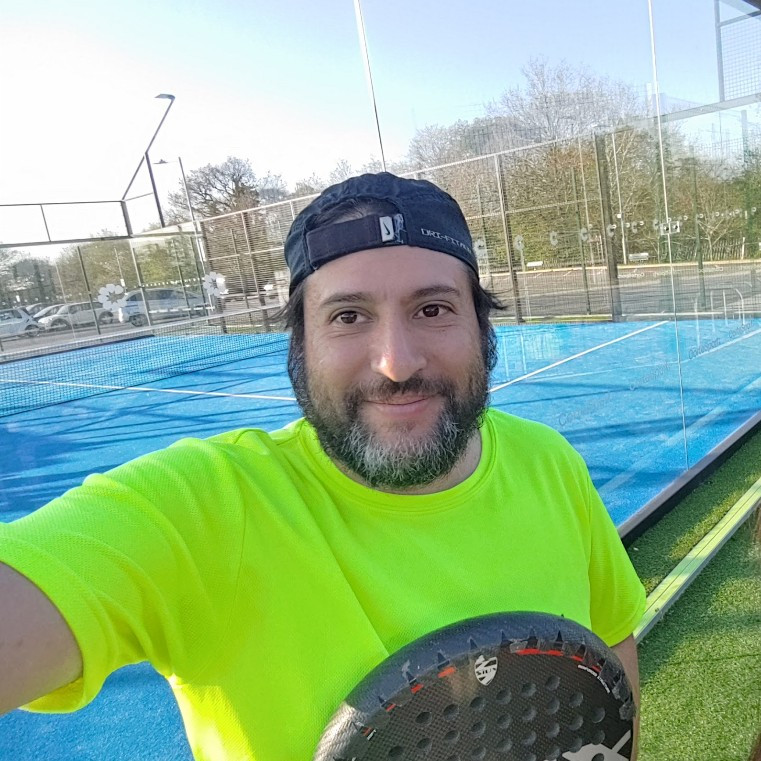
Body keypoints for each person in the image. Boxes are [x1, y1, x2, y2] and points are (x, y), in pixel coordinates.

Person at [0, 172, 646, 760]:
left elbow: (607, 650)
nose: (396, 362)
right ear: (301, 343)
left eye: (432, 309)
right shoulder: (204, 507)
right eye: (348, 316)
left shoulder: (549, 460)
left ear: (480, 326)